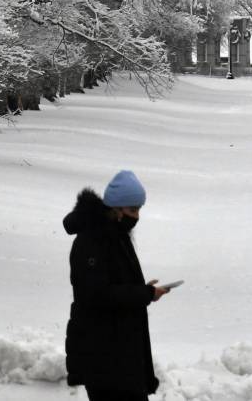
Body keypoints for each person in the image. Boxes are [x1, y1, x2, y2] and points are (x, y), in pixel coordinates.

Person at [64, 170, 168, 400]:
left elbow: (115, 284)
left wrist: (144, 290)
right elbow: (96, 295)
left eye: (139, 209)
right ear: (116, 209)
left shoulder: (117, 234)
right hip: (103, 355)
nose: (137, 216)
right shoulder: (92, 241)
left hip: (120, 353)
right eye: (132, 210)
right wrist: (144, 293)